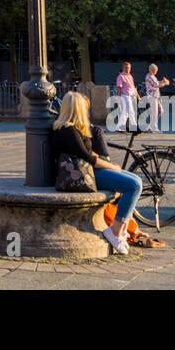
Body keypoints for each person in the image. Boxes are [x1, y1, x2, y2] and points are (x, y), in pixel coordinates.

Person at [51, 91, 143, 255]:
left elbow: (87, 154)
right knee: (134, 185)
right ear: (78, 109)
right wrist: (112, 167)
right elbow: (87, 158)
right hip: (86, 176)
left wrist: (108, 163)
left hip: (90, 170)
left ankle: (121, 229)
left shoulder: (67, 128)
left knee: (135, 179)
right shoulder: (69, 130)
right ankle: (115, 231)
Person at [114, 61, 138, 131]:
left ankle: (119, 127)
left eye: (129, 68)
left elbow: (133, 87)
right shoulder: (120, 76)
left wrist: (137, 96)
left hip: (130, 96)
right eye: (126, 68)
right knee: (131, 111)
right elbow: (119, 88)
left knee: (125, 113)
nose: (127, 69)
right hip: (125, 96)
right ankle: (134, 126)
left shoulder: (130, 76)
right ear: (123, 68)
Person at [144, 64, 169, 131]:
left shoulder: (152, 76)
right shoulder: (150, 76)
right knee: (155, 112)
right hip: (152, 96)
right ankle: (154, 128)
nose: (156, 71)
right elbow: (157, 85)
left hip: (155, 96)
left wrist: (162, 81)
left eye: (156, 70)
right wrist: (165, 83)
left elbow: (157, 82)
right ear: (151, 70)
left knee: (160, 111)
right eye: (155, 70)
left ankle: (151, 126)